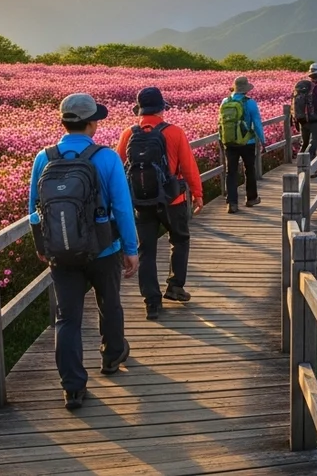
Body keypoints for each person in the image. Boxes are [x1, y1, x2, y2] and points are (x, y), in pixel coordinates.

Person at [30, 93, 138, 410]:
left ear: (64, 121)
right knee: (110, 303)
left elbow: (34, 210)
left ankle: (73, 388)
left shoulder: (44, 157)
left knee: (67, 319)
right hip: (103, 249)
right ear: (92, 123)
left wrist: (42, 246)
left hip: (61, 253)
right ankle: (112, 355)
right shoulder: (106, 158)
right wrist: (131, 249)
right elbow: (122, 207)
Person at [116, 88, 203, 321]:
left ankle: (152, 303)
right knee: (180, 239)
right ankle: (175, 286)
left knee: (146, 250)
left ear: (140, 109)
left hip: (141, 202)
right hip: (172, 200)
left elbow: (117, 167)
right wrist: (198, 193)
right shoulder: (174, 132)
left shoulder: (128, 133)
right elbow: (188, 166)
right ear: (162, 108)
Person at [219, 76, 266, 214]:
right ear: (245, 90)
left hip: (230, 142)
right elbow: (257, 123)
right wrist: (263, 141)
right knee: (249, 169)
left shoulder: (225, 101)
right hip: (247, 142)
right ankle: (251, 198)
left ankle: (232, 203)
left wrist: (221, 139)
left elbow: (221, 123)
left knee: (231, 172)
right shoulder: (250, 103)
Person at [295, 63, 317, 177]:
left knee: (304, 144)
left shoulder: (301, 88)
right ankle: (310, 170)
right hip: (315, 120)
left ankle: (300, 168)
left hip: (302, 120)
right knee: (313, 145)